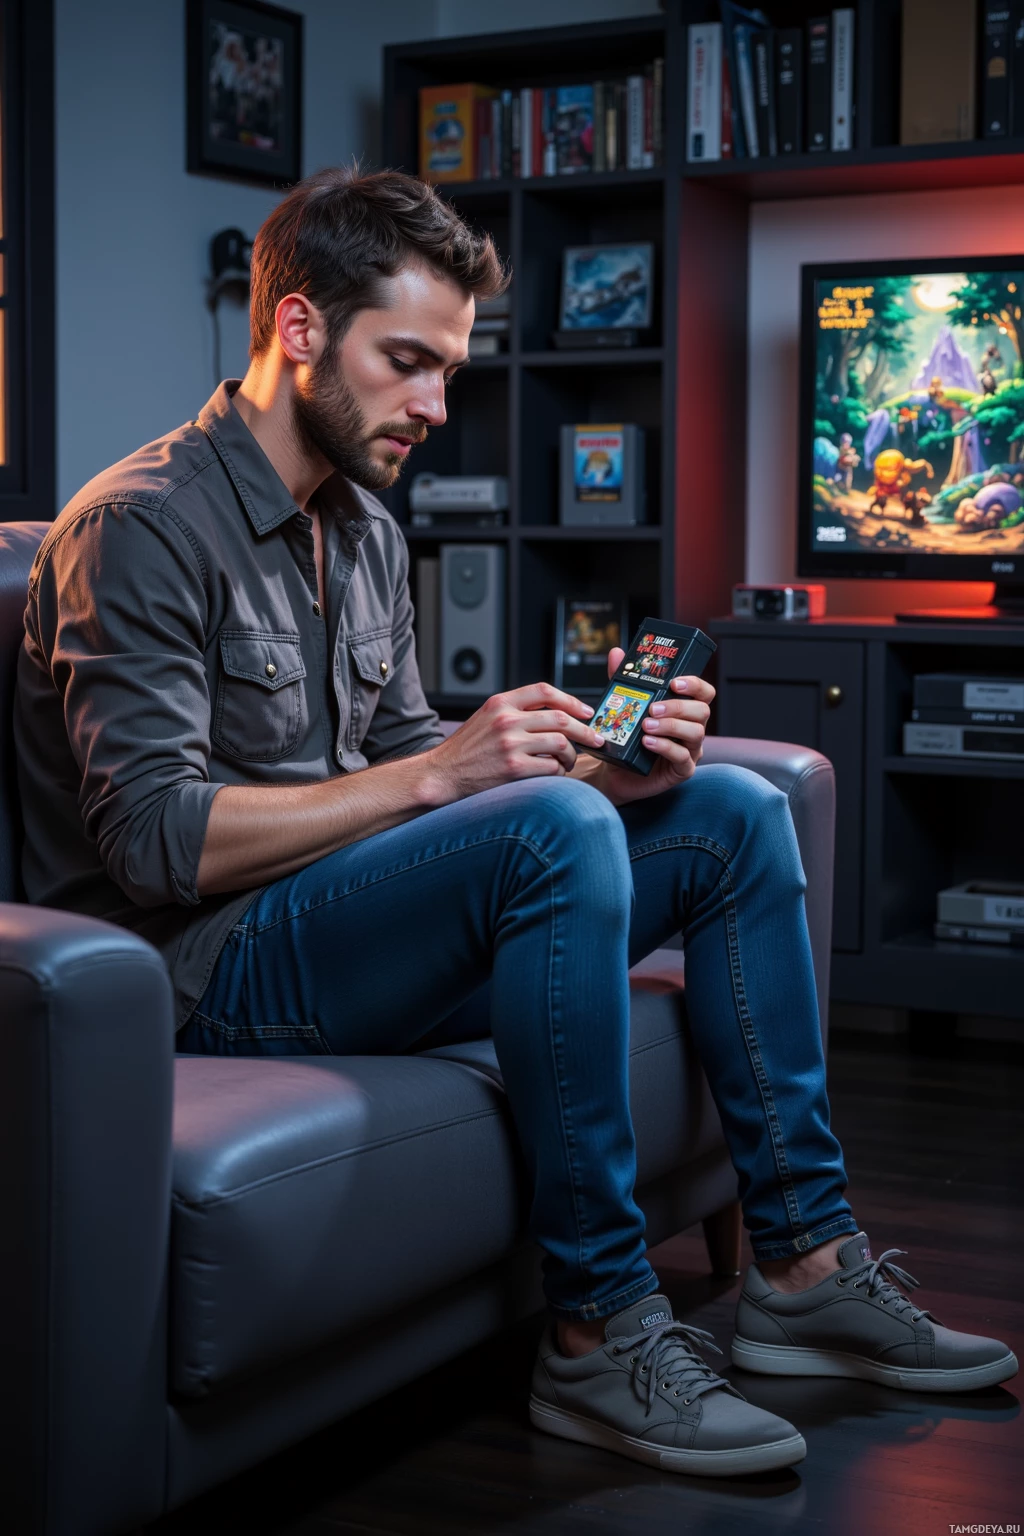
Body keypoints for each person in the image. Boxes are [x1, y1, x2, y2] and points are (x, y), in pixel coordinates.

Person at [15, 167, 1016, 1481]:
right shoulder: (137, 527)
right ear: (301, 330)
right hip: (200, 966)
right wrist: (456, 779)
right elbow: (154, 842)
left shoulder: (361, 531)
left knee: (727, 811)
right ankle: (597, 1336)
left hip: (339, 921)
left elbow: (408, 764)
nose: (436, 406)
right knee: (545, 826)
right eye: (409, 363)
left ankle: (806, 1269)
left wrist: (600, 770)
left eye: (451, 369)